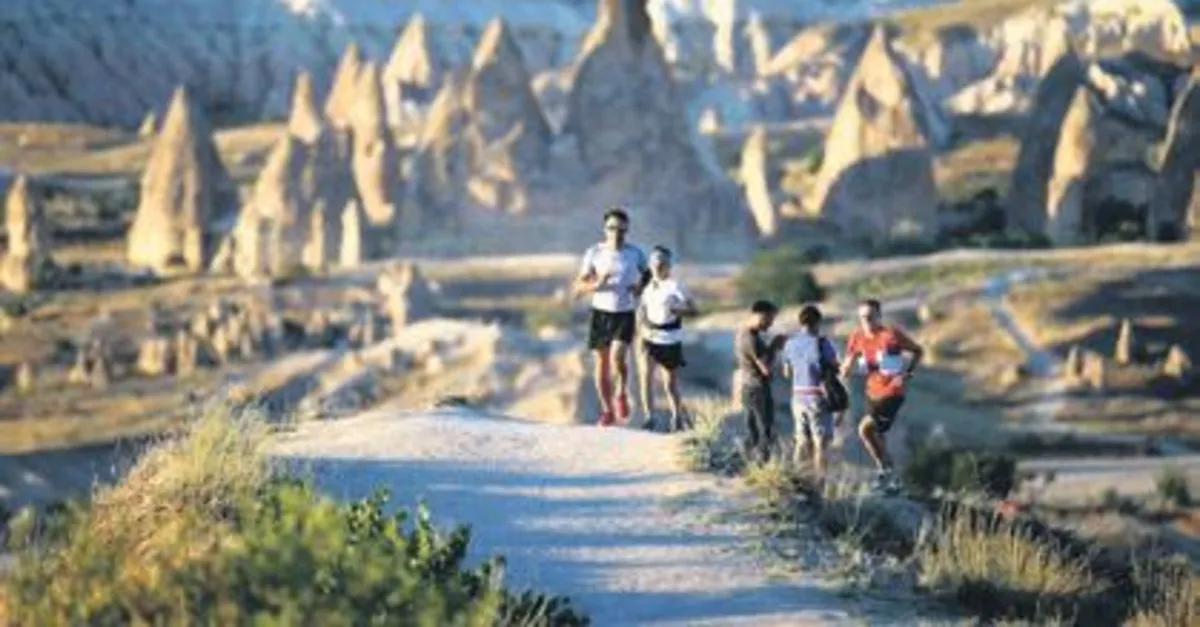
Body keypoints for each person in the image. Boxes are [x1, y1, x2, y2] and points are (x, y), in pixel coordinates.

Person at [572, 207, 650, 426]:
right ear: (605, 229)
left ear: (627, 230)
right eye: (612, 228)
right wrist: (597, 284)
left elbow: (648, 274)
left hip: (624, 313)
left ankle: (621, 393)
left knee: (618, 357)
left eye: (621, 230)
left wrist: (639, 287)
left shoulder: (634, 253)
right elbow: (578, 286)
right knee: (601, 363)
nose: (616, 233)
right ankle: (607, 411)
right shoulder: (594, 253)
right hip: (600, 313)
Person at [839, 298, 924, 492]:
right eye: (862, 317)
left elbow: (917, 351)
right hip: (872, 392)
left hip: (892, 393)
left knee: (865, 430)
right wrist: (845, 369)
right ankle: (892, 480)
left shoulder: (891, 335)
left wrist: (908, 374)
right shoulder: (857, 336)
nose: (866, 321)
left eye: (870, 317)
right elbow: (849, 360)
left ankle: (885, 471)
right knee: (878, 436)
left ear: (879, 316)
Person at [636, 246, 698, 432]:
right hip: (649, 337)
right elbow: (643, 308)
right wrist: (641, 324)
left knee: (669, 384)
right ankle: (649, 417)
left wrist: (676, 310)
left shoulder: (675, 286)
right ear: (650, 265)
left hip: (669, 339)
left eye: (662, 263)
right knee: (645, 376)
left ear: (668, 266)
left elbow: (694, 310)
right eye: (655, 263)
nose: (658, 267)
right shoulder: (647, 287)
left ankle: (677, 416)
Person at [780, 304, 841, 483]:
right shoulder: (822, 343)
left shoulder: (790, 344)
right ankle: (820, 483)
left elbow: (787, 373)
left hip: (798, 397)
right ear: (817, 322)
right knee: (821, 443)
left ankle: (798, 479)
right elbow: (834, 366)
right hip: (817, 396)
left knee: (802, 441)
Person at [734, 300, 786, 463]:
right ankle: (763, 466)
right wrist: (775, 346)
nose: (770, 324)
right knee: (766, 431)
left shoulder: (743, 332)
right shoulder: (751, 339)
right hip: (758, 389)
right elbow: (766, 369)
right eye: (769, 320)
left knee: (753, 432)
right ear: (760, 316)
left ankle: (743, 461)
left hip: (748, 387)